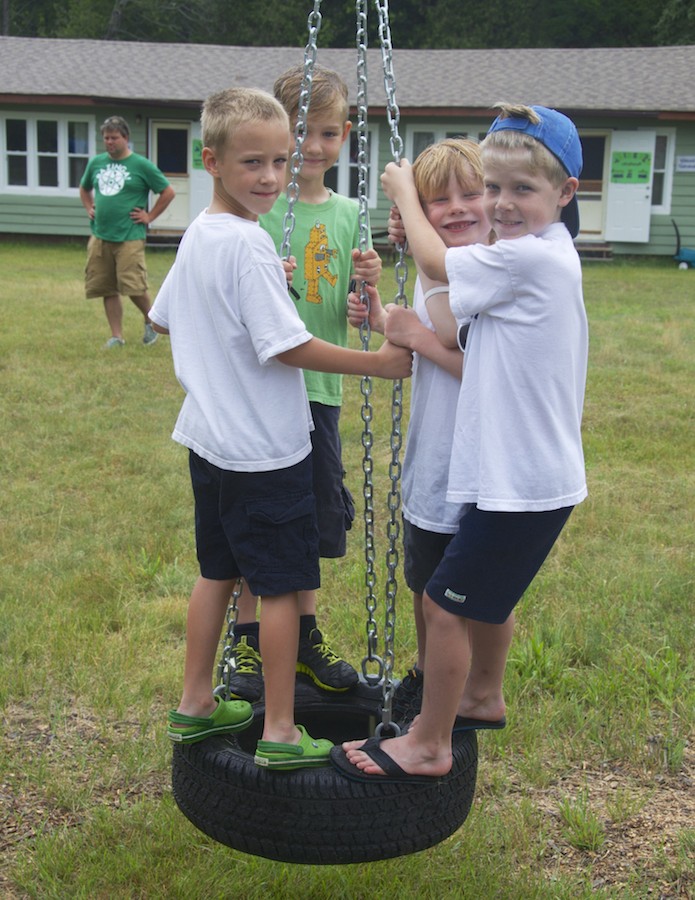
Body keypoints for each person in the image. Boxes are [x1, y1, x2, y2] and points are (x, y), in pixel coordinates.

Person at [150, 87, 411, 768]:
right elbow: (285, 347)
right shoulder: (249, 246)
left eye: (278, 161)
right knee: (280, 589)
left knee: (218, 573)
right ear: (211, 161)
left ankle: (195, 701)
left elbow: (163, 317)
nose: (269, 177)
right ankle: (280, 732)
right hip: (265, 451)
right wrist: (377, 365)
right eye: (252, 163)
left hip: (208, 441)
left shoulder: (199, 235)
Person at [332, 103, 588, 782]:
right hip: (516, 475)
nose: (499, 205)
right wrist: (403, 303)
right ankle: (476, 697)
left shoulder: (529, 260)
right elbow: (444, 308)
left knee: (447, 609)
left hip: (520, 479)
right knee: (476, 602)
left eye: (516, 190)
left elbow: (436, 279)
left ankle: (428, 744)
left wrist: (401, 199)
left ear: (565, 195)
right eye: (493, 188)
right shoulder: (526, 257)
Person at [226, 64, 383, 703]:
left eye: (326, 133)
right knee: (256, 518)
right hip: (262, 392)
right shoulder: (258, 209)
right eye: (301, 133)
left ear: (344, 135)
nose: (313, 148)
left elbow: (359, 301)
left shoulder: (351, 212)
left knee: (311, 522)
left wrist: (364, 289)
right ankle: (246, 645)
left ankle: (306, 640)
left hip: (320, 392)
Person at [347, 138, 493, 730]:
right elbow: (419, 334)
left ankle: (463, 690)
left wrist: (413, 335)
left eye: (472, 193)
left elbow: (476, 363)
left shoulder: (488, 265)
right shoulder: (439, 265)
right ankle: (429, 673)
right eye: (438, 200)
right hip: (431, 460)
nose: (457, 207)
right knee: (423, 581)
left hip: (477, 464)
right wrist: (386, 320)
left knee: (459, 596)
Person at [79, 115, 175, 348]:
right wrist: (89, 206)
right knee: (106, 286)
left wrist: (149, 217)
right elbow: (84, 188)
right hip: (101, 235)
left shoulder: (140, 165)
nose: (109, 142)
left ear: (126, 138)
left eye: (114, 138)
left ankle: (150, 322)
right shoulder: (97, 163)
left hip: (129, 236)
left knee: (133, 286)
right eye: (106, 138)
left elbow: (168, 192)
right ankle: (116, 336)